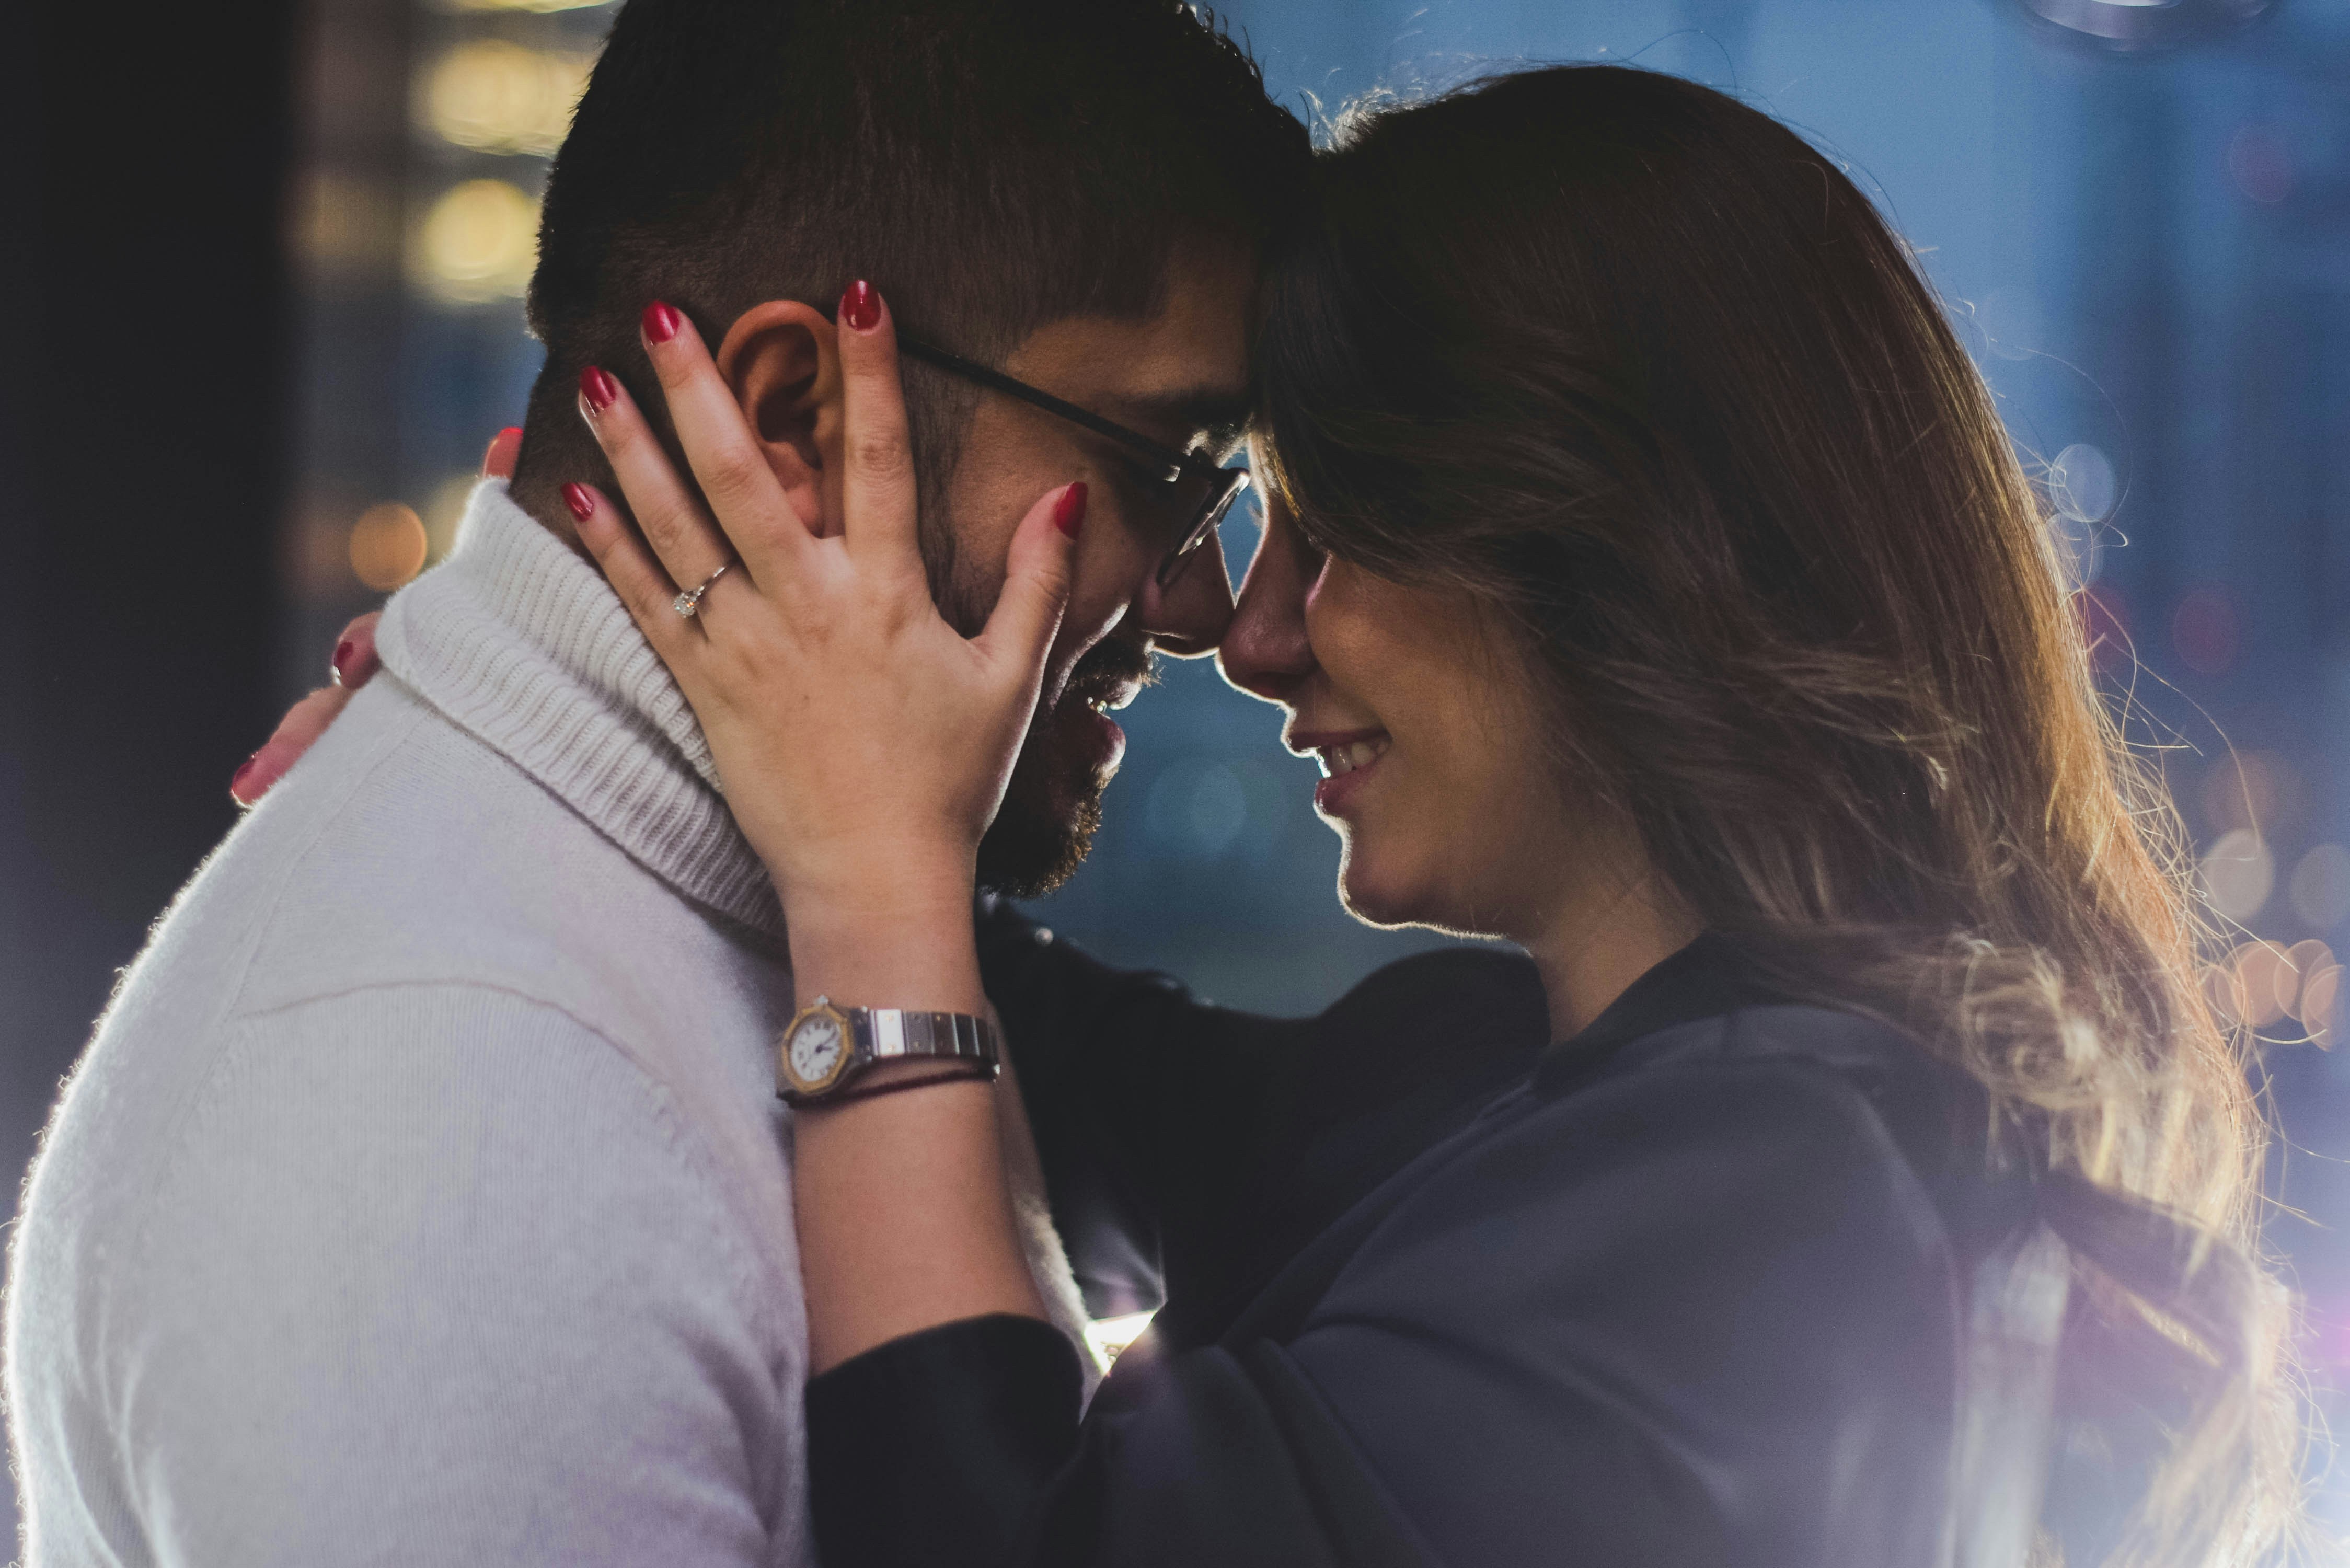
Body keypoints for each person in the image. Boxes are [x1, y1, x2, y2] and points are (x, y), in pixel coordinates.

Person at [516, 63, 2302, 1568]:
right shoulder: (1553, 1080)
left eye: (1336, 524)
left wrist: (865, 871)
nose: (1256, 629)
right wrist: (559, 689)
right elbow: (1044, 1055)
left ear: (1608, 551)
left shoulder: (1775, 1202)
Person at [3, 2, 1310, 1562]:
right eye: (1167, 461)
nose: (1208, 605)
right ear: (790, 419)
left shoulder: (743, 922)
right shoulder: (447, 1183)